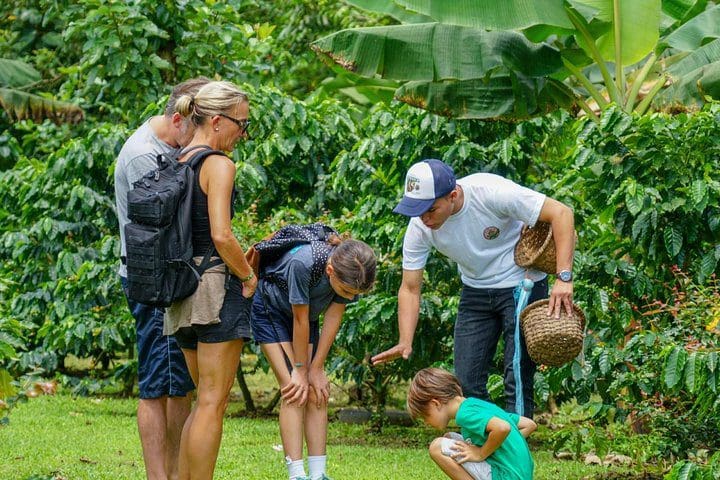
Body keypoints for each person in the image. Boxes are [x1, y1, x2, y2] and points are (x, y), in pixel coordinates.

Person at [372, 159, 575, 417]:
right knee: (467, 379)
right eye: (417, 211)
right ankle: (487, 441)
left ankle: (517, 447)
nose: (424, 218)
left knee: (517, 371)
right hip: (475, 289)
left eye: (430, 209)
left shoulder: (491, 192)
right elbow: (410, 288)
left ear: (453, 195)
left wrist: (564, 278)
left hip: (520, 282)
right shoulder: (420, 226)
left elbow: (562, 213)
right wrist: (405, 340)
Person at [114, 77, 208, 480]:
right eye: (197, 128)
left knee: (178, 384)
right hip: (153, 284)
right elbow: (156, 232)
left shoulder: (172, 149)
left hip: (172, 280)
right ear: (178, 119)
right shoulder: (144, 156)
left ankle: (175, 473)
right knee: (157, 384)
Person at [163, 80, 257, 480]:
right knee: (212, 403)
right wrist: (248, 275)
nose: (243, 133)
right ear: (217, 121)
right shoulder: (219, 165)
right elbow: (221, 234)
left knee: (202, 399)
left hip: (181, 290)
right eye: (241, 123)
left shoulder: (177, 160)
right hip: (215, 288)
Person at [250, 234, 376, 480]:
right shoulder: (304, 264)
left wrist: (316, 368)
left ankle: (319, 474)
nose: (350, 297)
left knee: (317, 391)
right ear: (330, 271)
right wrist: (299, 369)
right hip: (271, 312)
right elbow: (299, 318)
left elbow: (333, 317)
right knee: (294, 389)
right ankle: (296, 474)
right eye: (347, 291)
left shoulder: (350, 269)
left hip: (306, 321)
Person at [407, 367, 537, 480]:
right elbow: (530, 424)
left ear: (435, 404)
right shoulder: (477, 405)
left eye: (425, 416)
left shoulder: (465, 414)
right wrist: (503, 447)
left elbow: (502, 428)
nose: (426, 422)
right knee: (449, 438)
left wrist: (481, 453)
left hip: (505, 476)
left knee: (436, 447)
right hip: (520, 475)